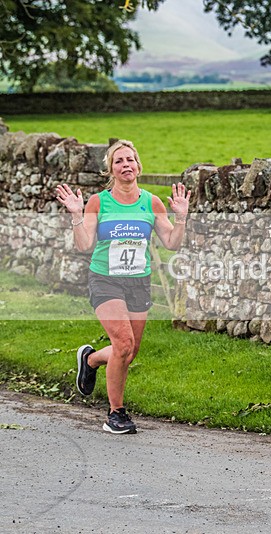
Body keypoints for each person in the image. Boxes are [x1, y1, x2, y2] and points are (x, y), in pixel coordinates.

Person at [55, 140, 190, 434]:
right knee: (123, 343)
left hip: (138, 282)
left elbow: (171, 243)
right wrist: (77, 216)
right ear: (111, 170)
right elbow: (84, 245)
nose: (125, 164)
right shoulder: (99, 202)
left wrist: (181, 217)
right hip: (106, 280)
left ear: (138, 166)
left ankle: (90, 359)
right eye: (119, 161)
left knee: (129, 350)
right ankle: (115, 414)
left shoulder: (151, 202)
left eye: (130, 159)